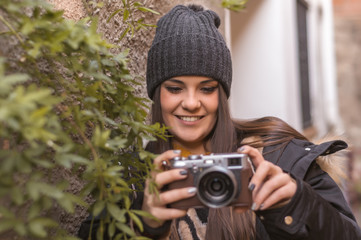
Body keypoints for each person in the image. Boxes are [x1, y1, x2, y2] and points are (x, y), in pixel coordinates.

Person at [78, 4, 361, 240]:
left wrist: (297, 204)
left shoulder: (279, 154)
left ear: (222, 94)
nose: (191, 102)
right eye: (175, 88)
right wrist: (144, 226)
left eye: (207, 88)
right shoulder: (132, 177)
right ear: (156, 94)